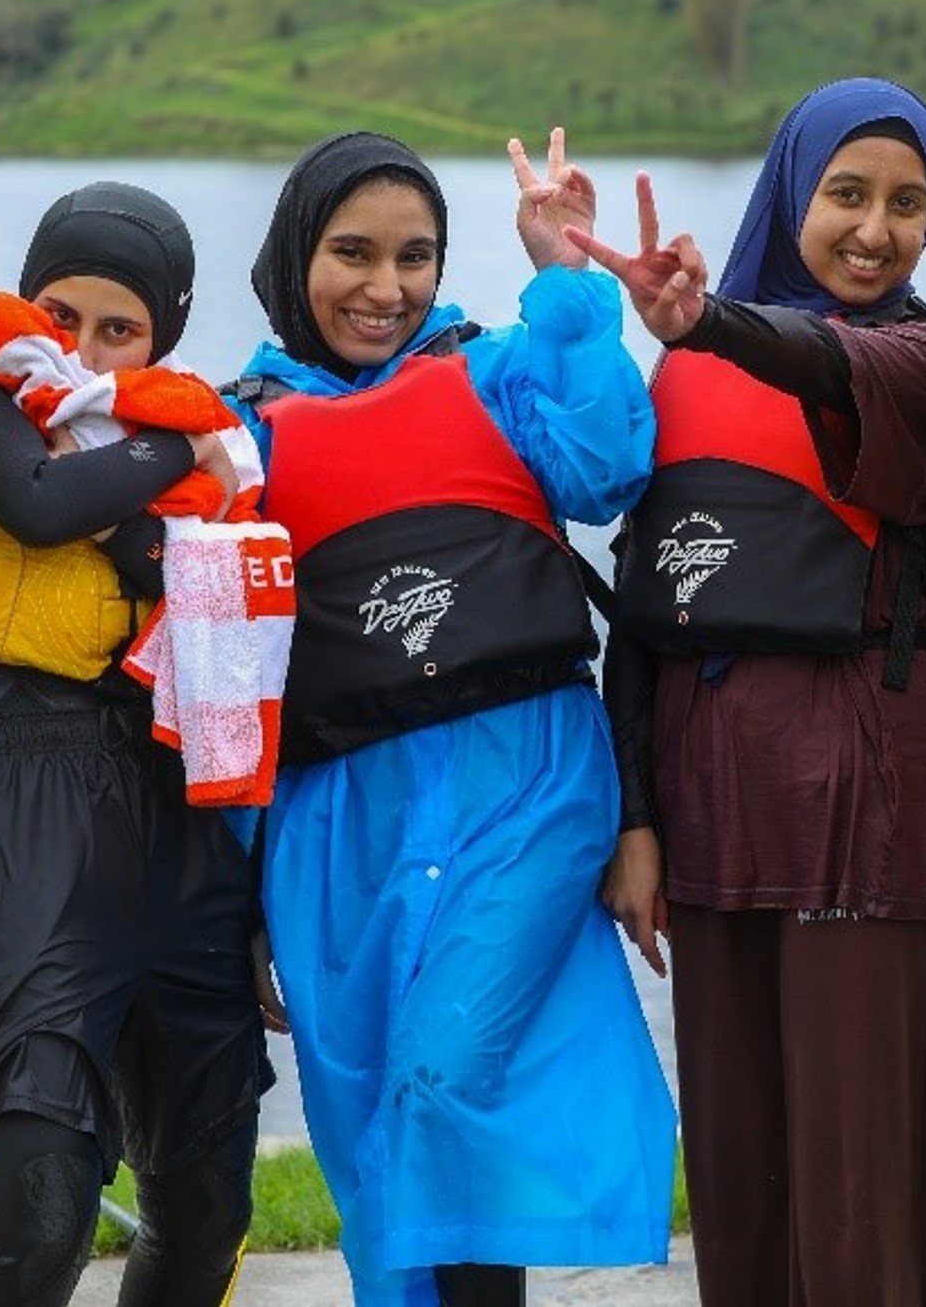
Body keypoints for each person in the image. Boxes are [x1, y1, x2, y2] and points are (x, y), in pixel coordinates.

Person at [225, 129, 675, 1307]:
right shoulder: (242, 431)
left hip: (522, 789)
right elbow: (226, 677)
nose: (386, 288)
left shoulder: (505, 366)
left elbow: (607, 470)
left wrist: (566, 282)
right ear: (293, 256)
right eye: (353, 254)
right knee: (375, 1123)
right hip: (337, 824)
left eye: (414, 256)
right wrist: (245, 892)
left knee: (445, 1073)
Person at [576, 78, 926, 1306]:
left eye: (908, 204)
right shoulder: (682, 381)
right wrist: (636, 820)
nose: (876, 229)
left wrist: (706, 321)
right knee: (740, 1165)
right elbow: (643, 623)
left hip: (858, 788)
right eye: (848, 196)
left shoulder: (925, 362)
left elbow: (816, 354)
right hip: (709, 795)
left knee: (856, 1178)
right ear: (791, 193)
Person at [0, 182, 275, 1306]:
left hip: (168, 811)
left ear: (159, 334)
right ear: (26, 301)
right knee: (45, 1203)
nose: (79, 350)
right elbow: (38, 506)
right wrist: (171, 453)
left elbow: (193, 588)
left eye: (122, 332)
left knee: (208, 1207)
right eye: (59, 316)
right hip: (5, 787)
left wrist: (140, 493)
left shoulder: (188, 426)